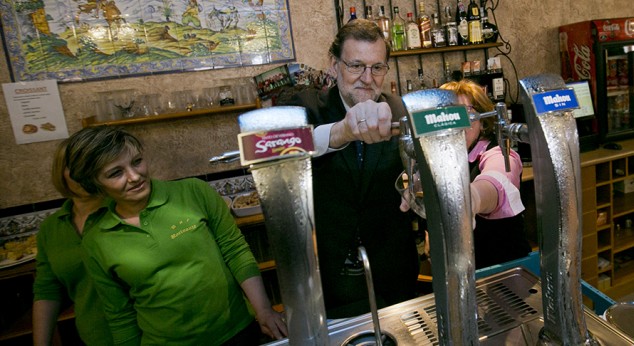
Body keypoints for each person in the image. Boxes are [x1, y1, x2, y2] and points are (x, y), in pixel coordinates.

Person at [65, 126, 287, 345]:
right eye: (116, 173)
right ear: (95, 185)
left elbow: (236, 252)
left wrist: (264, 310)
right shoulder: (96, 240)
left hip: (236, 332)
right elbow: (120, 315)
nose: (134, 176)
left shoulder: (194, 192)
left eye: (137, 161)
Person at [281, 19, 419, 318]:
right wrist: (341, 132)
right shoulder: (304, 107)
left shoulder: (400, 111)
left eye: (377, 67)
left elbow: (418, 168)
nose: (367, 79)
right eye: (356, 65)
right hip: (330, 276)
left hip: (394, 274)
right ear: (334, 65)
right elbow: (279, 147)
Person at [438, 79, 531, 269]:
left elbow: (496, 182)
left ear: (483, 121)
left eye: (467, 113)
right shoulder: (446, 160)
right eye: (449, 114)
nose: (458, 123)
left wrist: (471, 198)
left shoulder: (499, 154)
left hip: (505, 272)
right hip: (467, 272)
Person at [32, 136, 113, 346]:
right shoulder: (52, 228)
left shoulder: (124, 211)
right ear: (61, 172)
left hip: (151, 334)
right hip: (95, 338)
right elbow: (47, 290)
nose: (85, 173)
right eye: (76, 166)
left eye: (93, 164)